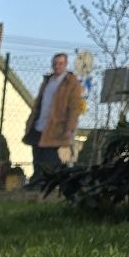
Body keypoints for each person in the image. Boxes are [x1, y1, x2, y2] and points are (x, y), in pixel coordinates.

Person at [24, 52, 86, 180]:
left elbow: (74, 108)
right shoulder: (48, 81)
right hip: (40, 124)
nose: (57, 66)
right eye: (55, 63)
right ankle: (38, 181)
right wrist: (30, 121)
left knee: (49, 155)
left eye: (60, 63)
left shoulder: (71, 83)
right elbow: (39, 103)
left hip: (56, 126)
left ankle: (59, 177)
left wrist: (69, 128)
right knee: (37, 153)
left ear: (65, 65)